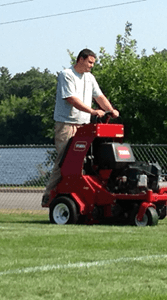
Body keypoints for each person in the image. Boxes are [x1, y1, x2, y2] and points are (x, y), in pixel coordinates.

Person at [42, 49, 119, 204]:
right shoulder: (67, 75)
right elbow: (71, 99)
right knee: (65, 160)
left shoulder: (89, 78)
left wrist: (111, 110)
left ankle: (82, 194)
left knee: (87, 161)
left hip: (84, 126)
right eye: (90, 62)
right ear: (81, 59)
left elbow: (99, 96)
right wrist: (92, 111)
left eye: (93, 63)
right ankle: (49, 195)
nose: (91, 66)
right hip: (67, 124)